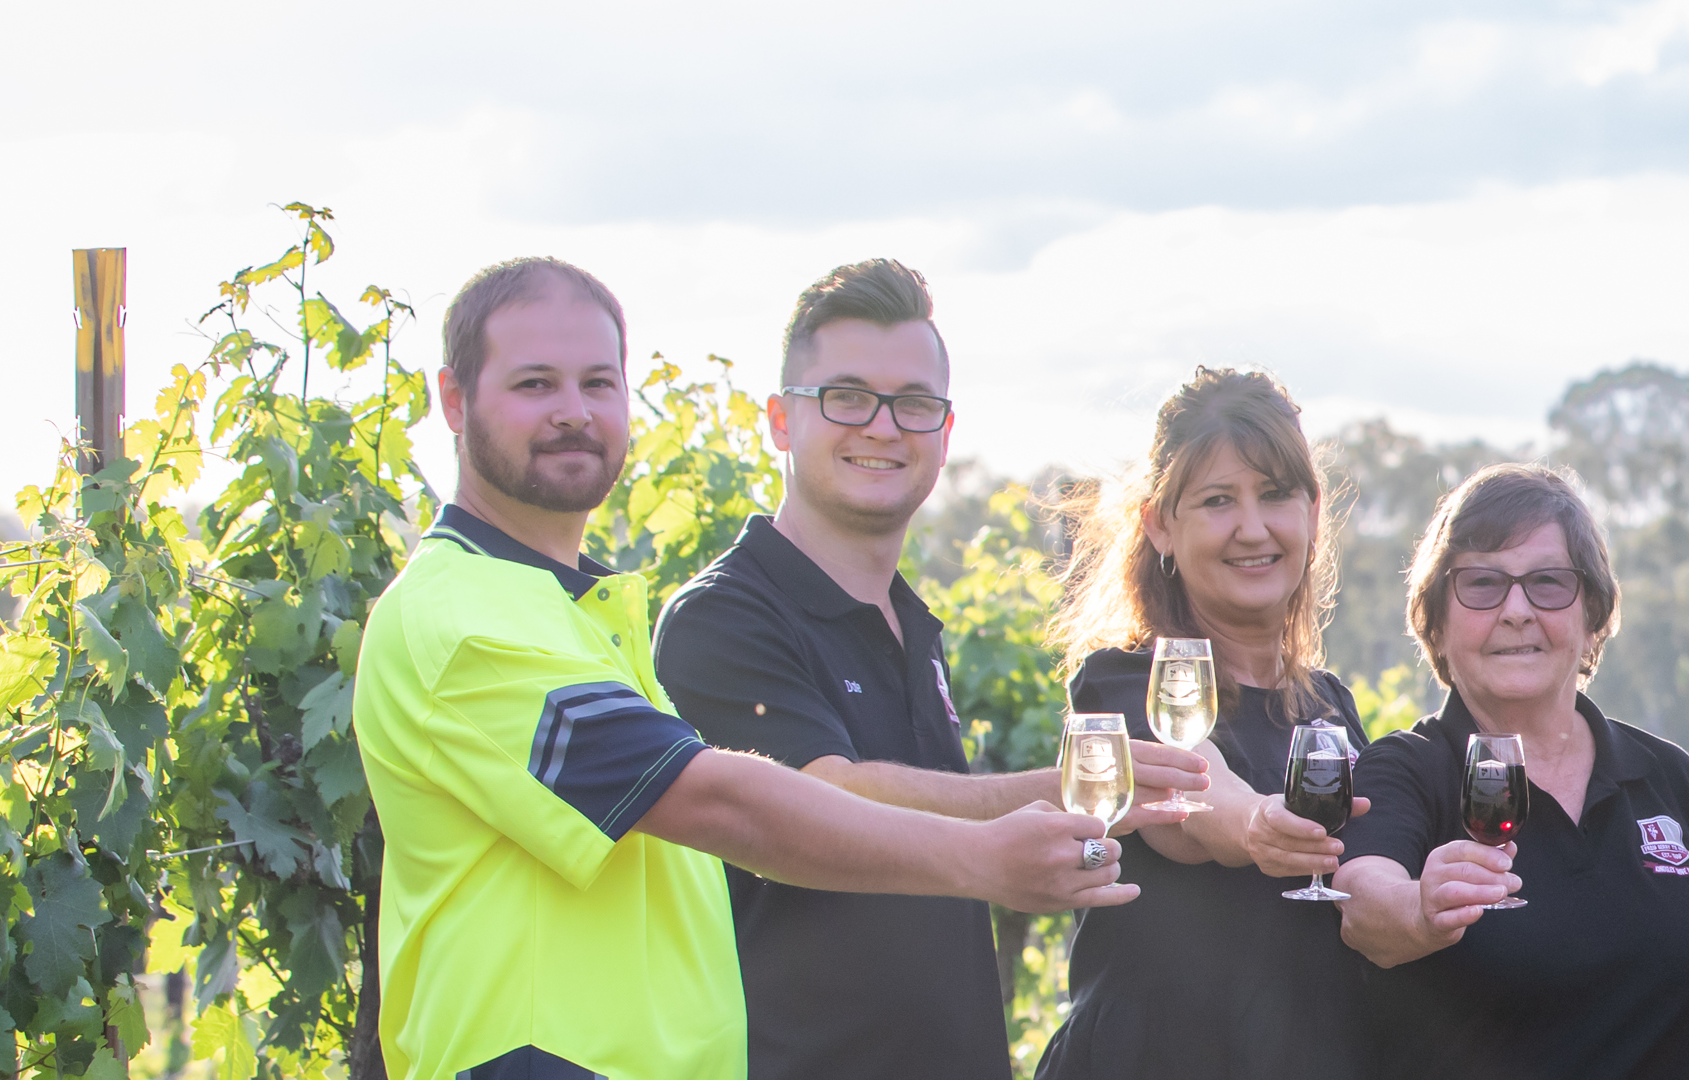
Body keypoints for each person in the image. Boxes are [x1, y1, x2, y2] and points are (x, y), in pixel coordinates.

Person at [359, 257, 1151, 1079]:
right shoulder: (464, 620)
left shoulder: (568, 613)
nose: (574, 411)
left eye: (599, 383)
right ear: (454, 401)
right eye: (534, 384)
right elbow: (715, 799)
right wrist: (983, 854)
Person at [651, 259, 1204, 1079]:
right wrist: (1041, 792)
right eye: (846, 396)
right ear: (779, 420)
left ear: (944, 433)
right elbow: (822, 793)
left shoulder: (913, 624)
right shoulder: (722, 617)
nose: (882, 426)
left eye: (913, 403)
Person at [1334, 464, 1689, 1080]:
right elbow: (1362, 905)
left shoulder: (1668, 776)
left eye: (1548, 582)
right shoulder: (1406, 771)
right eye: (1482, 583)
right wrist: (1419, 909)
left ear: (1593, 616)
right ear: (1435, 622)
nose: (1517, 610)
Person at [1032, 366, 1378, 1080]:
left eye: (1276, 494)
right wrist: (1256, 822)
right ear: (1160, 522)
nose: (1253, 528)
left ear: (1312, 511)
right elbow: (1185, 796)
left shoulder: (1332, 709)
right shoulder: (1124, 682)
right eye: (1218, 500)